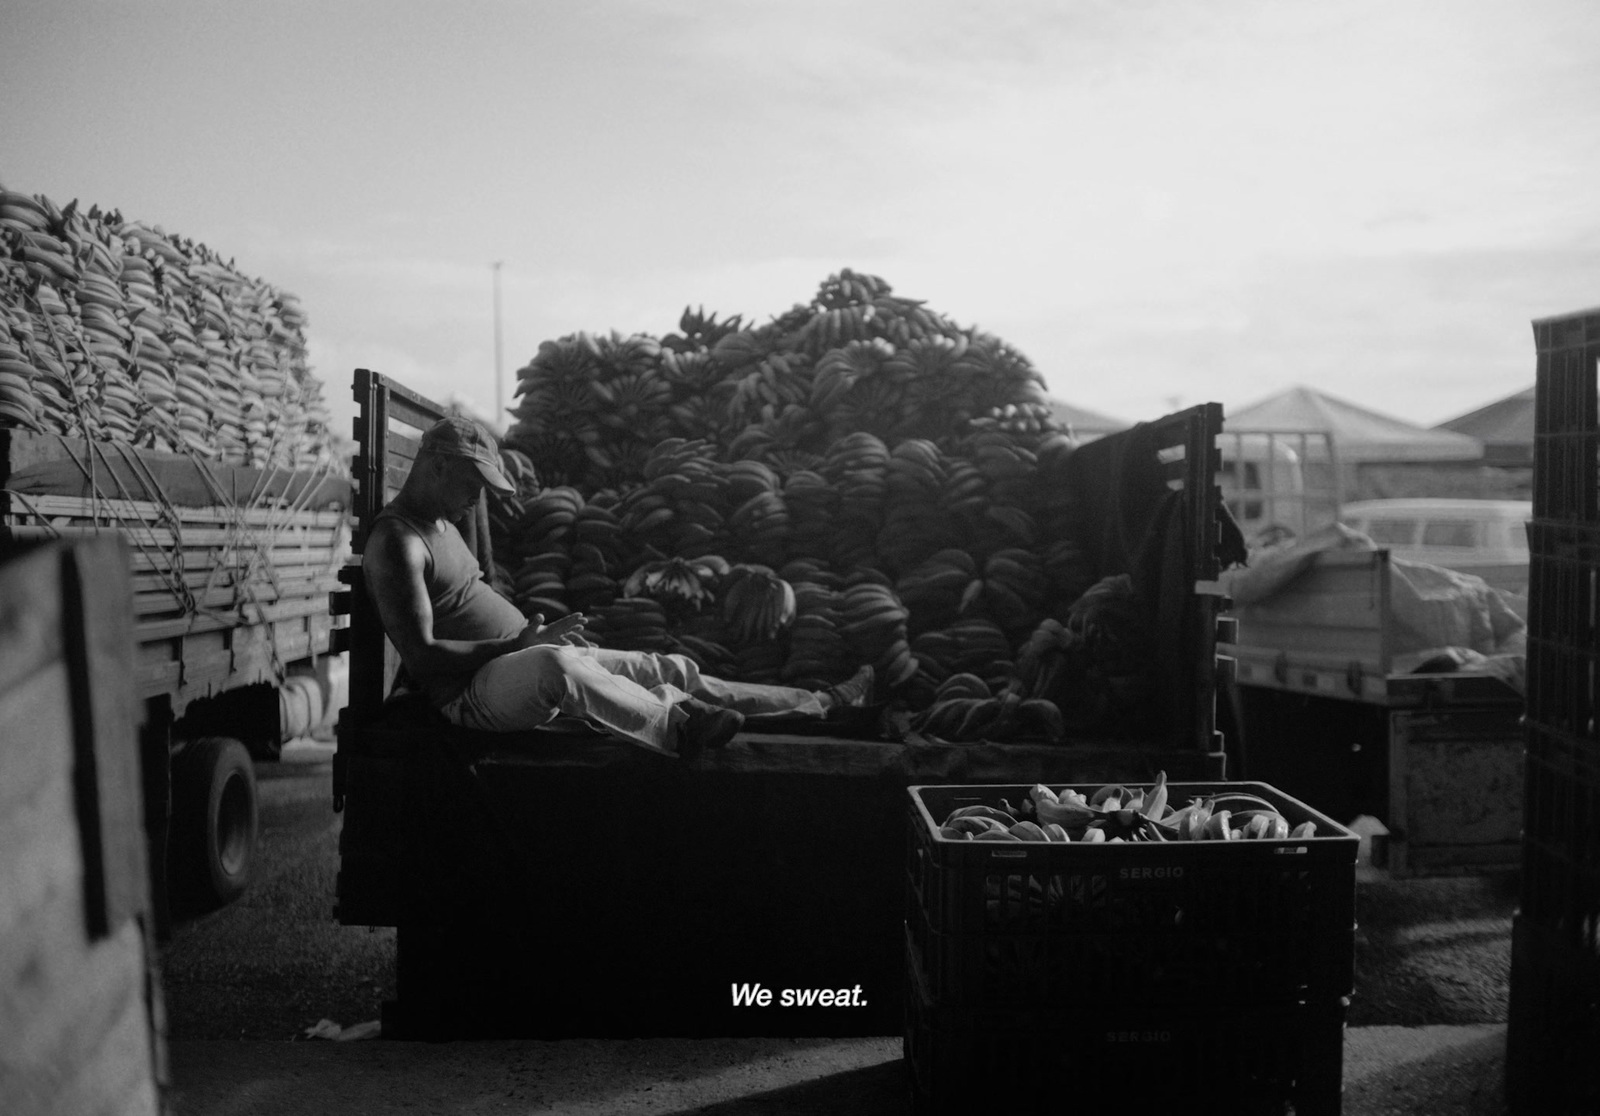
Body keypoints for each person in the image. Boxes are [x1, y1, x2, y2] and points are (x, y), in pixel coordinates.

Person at [362, 415, 874, 757]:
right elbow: (423, 655)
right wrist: (517, 645)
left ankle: (820, 704)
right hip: (471, 694)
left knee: (666, 666)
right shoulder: (397, 543)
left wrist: (524, 638)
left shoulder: (445, 523)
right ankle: (676, 729)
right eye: (472, 486)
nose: (476, 501)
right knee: (554, 665)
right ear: (437, 466)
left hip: (512, 660)